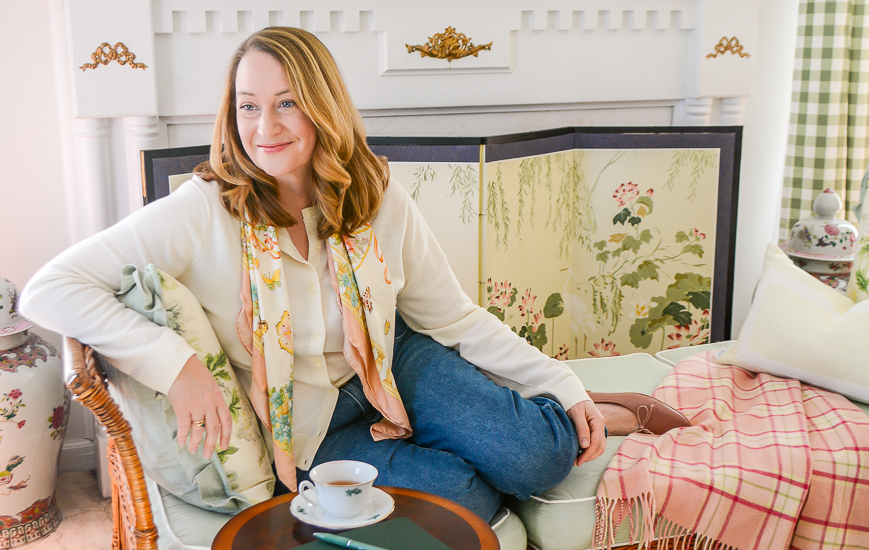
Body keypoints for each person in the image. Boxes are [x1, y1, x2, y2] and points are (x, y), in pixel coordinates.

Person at [21, 27, 688, 523]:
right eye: (248, 106)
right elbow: (52, 288)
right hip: (305, 423)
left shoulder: (375, 195)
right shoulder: (200, 211)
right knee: (466, 499)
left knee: (535, 459)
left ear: (322, 105)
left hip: (393, 363)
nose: (264, 126)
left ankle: (599, 408)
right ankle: (473, 426)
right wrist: (175, 364)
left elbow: (450, 316)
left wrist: (559, 380)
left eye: (286, 104)